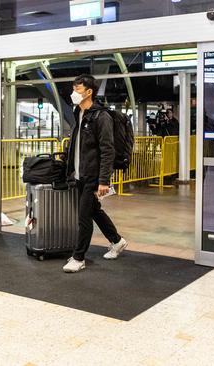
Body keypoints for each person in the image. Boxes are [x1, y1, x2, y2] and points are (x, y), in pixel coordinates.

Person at [63, 75, 127, 273]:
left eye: (78, 89)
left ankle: (78, 257)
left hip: (92, 176)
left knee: (84, 217)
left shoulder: (102, 117)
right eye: (73, 89)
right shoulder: (78, 113)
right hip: (79, 175)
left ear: (89, 92)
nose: (74, 93)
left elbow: (108, 150)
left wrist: (104, 180)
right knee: (94, 211)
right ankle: (117, 241)